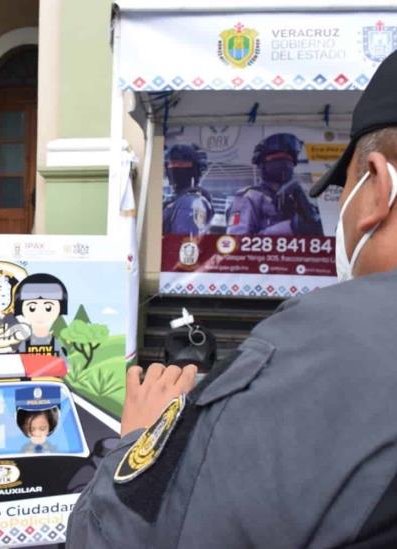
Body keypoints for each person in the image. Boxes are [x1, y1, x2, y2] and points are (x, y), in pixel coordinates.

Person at [67, 50, 397, 548]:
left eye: (344, 188)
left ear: (377, 186)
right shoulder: (241, 202)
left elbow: (119, 535)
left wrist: (139, 445)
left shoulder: (316, 347)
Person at [226, 132, 323, 235]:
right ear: (261, 164)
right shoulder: (249, 196)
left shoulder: (297, 196)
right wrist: (290, 227)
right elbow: (236, 240)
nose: (284, 164)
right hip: (264, 251)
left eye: (288, 159)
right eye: (276, 158)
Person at [162, 143, 214, 235]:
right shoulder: (177, 200)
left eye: (182, 164)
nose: (175, 168)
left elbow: (184, 243)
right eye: (172, 163)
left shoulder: (190, 202)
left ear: (194, 169)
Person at [14, 273, 68, 355]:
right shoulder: (25, 344)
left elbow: (64, 364)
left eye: (48, 308)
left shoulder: (56, 344)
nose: (40, 314)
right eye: (32, 308)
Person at [15, 385, 61, 453]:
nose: (37, 434)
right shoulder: (19, 453)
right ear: (23, 428)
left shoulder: (56, 452)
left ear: (50, 426)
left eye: (42, 428)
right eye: (31, 429)